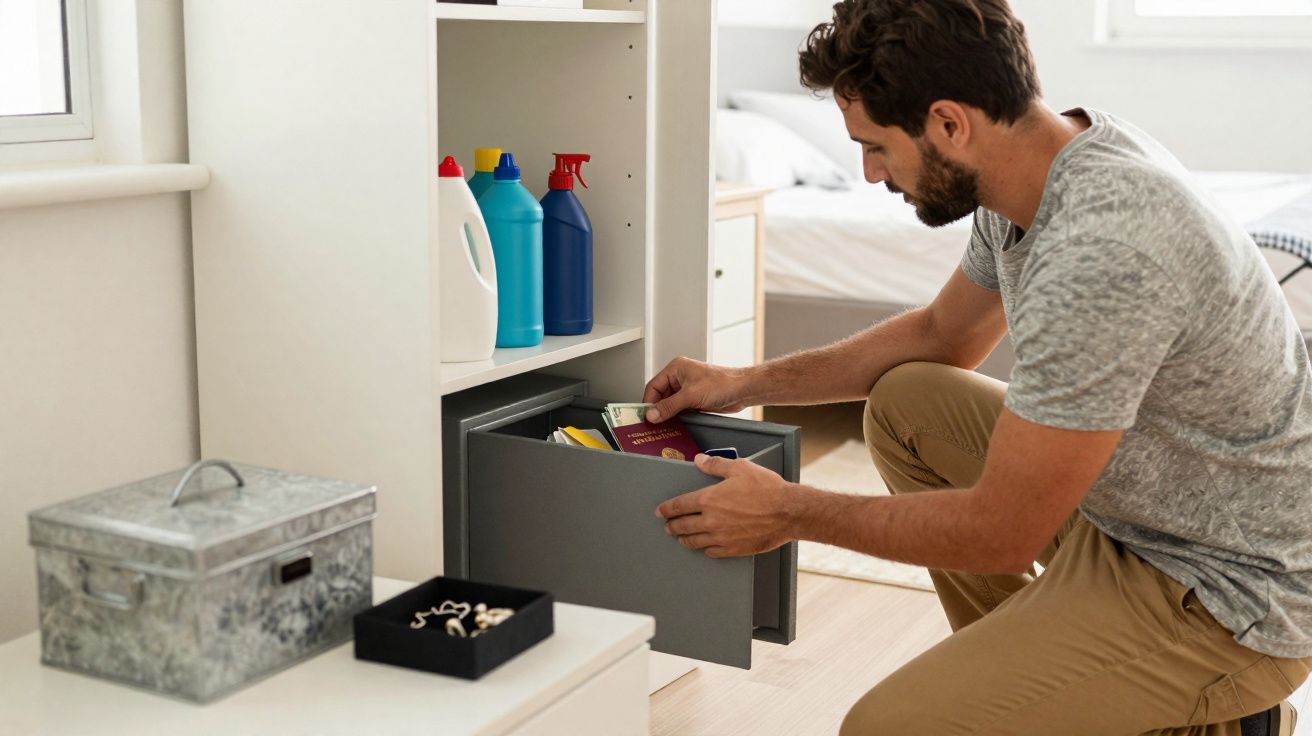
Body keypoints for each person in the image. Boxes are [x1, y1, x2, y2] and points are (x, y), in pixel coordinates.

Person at [644, 1, 1312, 733]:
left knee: (888, 728)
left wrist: (789, 511)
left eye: (875, 146)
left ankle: (1195, 709)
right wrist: (741, 382)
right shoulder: (1035, 170)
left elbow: (1001, 533)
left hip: (1230, 591)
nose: (869, 175)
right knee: (909, 403)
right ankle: (1071, 689)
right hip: (1138, 511)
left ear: (949, 123)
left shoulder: (1106, 250)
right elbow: (940, 335)